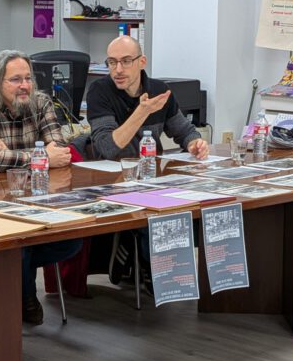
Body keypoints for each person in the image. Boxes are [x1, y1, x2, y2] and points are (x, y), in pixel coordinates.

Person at [0, 49, 81, 325]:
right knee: (18, 243)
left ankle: (14, 276)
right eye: (15, 80)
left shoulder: (41, 102)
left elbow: (61, 152)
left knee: (73, 239)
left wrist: (10, 153)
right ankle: (24, 296)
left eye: (28, 78)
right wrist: (39, 156)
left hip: (35, 200)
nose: (24, 85)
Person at [86, 35, 210, 290]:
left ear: (141, 62)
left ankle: (155, 268)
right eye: (112, 62)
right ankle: (152, 272)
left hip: (151, 177)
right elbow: (108, 147)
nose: (118, 70)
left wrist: (195, 143)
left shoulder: (158, 90)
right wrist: (141, 112)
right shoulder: (100, 91)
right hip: (113, 181)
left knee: (198, 207)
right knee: (155, 215)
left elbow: (184, 131)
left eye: (125, 61)